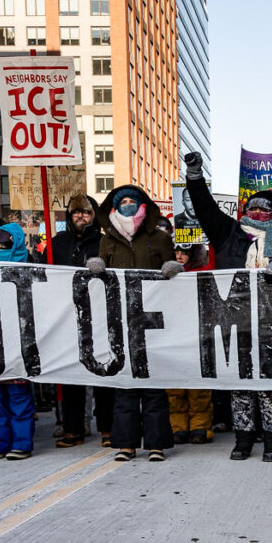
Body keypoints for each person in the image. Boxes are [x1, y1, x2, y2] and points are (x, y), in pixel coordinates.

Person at [182, 151, 272, 462]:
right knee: (240, 384)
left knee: (270, 385)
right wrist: (195, 176)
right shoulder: (227, 234)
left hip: (271, 323)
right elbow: (205, 208)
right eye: (253, 206)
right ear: (244, 210)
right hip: (234, 321)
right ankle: (244, 439)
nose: (259, 211)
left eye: (266, 208)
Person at [87, 184, 182, 462]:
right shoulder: (107, 241)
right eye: (123, 201)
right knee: (125, 386)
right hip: (120, 318)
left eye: (133, 200)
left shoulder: (160, 238)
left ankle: (156, 445)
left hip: (152, 319)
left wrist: (175, 269)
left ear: (143, 205)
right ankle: (126, 444)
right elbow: (98, 276)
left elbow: (176, 279)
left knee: (153, 386)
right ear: (115, 208)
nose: (128, 204)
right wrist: (95, 266)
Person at [49, 194, 115, 448]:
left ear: (94, 216)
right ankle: (72, 428)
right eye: (76, 212)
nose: (81, 217)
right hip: (65, 317)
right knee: (71, 376)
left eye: (86, 213)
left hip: (98, 316)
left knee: (103, 374)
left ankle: (107, 427)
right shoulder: (57, 244)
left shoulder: (104, 242)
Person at [0, 223, 37, 460]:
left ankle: (22, 443)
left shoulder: (30, 268)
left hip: (19, 343)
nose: (0, 245)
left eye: (6, 241)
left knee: (18, 397)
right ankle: (0, 443)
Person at [166, 243, 214, 445]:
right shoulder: (166, 271)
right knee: (174, 387)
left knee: (197, 385)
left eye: (184, 253)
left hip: (197, 332)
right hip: (173, 333)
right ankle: (177, 427)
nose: (179, 256)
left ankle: (200, 425)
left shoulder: (202, 270)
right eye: (176, 252)